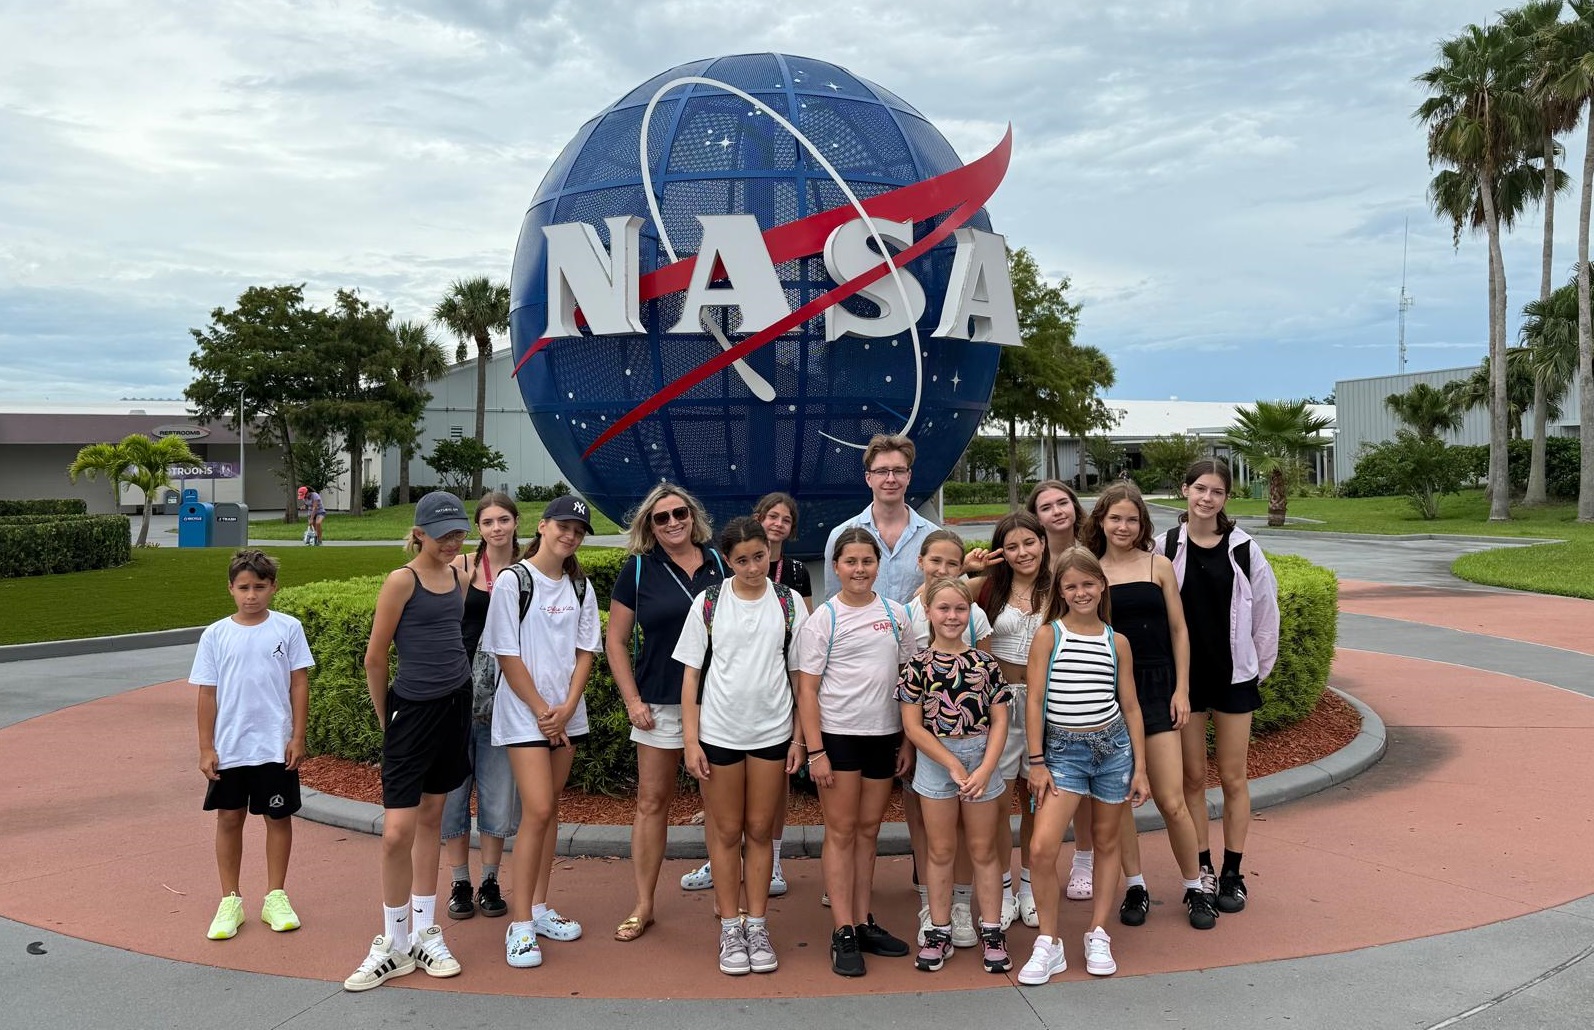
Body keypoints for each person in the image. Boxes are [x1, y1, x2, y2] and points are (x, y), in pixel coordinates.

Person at [343, 492, 472, 992]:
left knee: (432, 818)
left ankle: (423, 934)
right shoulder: (402, 581)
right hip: (411, 713)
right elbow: (375, 658)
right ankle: (393, 943)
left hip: (454, 706)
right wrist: (388, 721)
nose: (451, 542)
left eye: (457, 533)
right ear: (418, 534)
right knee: (397, 831)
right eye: (442, 535)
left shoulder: (459, 576)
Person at [676, 517, 809, 975]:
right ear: (727, 561)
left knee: (759, 831)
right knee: (727, 831)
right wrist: (690, 741)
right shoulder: (709, 603)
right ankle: (730, 926)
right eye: (742, 560)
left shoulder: (789, 602)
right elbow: (691, 676)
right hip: (719, 734)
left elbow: (799, 675)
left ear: (769, 552)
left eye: (759, 557)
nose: (753, 567)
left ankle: (757, 924)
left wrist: (799, 737)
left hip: (772, 734)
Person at [1018, 549, 1151, 985]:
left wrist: (1140, 768)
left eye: (1088, 584)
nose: (1081, 592)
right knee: (1042, 847)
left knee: (1107, 842)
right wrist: (1037, 761)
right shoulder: (1049, 635)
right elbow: (1035, 701)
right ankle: (1049, 942)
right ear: (1060, 591)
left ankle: (1098, 932)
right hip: (1062, 754)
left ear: (1102, 586)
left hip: (1114, 751)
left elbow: (1131, 706)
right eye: (1071, 586)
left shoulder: (1117, 642)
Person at [1086, 483, 1215, 931]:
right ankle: (1136, 885)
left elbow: (1179, 630)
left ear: (1142, 523)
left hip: (1159, 688)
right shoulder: (1091, 570)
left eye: (1132, 519)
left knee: (1172, 800)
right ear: (1101, 521)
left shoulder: (1158, 565)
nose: (1123, 527)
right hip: (1109, 692)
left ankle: (1196, 886)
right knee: (1118, 800)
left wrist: (1182, 690)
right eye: (1115, 518)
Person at [1157, 459, 1279, 914]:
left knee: (1232, 776)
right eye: (1200, 489)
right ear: (1185, 490)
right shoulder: (1165, 546)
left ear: (1226, 498)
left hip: (1233, 679)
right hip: (1184, 683)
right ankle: (1201, 868)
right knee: (1192, 778)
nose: (1207, 498)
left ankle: (1232, 872)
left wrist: (1254, 670)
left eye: (1217, 492)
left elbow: (1266, 614)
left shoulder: (1244, 549)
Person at [606, 484, 725, 942]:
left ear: (693, 516)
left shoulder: (719, 564)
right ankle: (644, 904)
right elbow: (616, 641)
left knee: (718, 805)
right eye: (662, 517)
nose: (673, 522)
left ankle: (725, 901)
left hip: (715, 703)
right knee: (652, 803)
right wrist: (632, 701)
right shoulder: (638, 569)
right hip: (658, 703)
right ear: (649, 526)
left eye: (680, 513)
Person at [487, 496, 602, 968]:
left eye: (578, 530)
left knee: (550, 809)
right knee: (536, 809)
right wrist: (541, 710)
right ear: (543, 525)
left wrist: (567, 707)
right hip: (523, 715)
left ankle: (537, 908)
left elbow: (586, 651)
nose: (570, 536)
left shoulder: (581, 586)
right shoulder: (513, 581)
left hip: (565, 714)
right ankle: (518, 925)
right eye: (563, 526)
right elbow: (506, 653)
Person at [795, 527, 916, 978]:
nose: (859, 569)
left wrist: (907, 740)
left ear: (877, 566)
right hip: (838, 737)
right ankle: (842, 929)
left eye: (867, 561)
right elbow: (807, 690)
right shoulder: (824, 619)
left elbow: (909, 681)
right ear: (836, 567)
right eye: (851, 562)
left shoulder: (896, 614)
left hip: (883, 737)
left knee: (869, 831)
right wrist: (816, 751)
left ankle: (863, 921)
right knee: (841, 831)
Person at [192, 548, 314, 941]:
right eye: (243, 587)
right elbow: (207, 693)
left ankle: (275, 897)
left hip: (274, 746)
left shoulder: (288, 628)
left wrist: (297, 737)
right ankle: (230, 900)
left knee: (277, 818)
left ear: (273, 587)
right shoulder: (215, 635)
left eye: (259, 587)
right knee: (229, 819)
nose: (251, 595)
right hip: (230, 748)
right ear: (230, 588)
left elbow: (299, 683)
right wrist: (206, 748)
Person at [897, 577, 1011, 975]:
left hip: (980, 759)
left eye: (960, 609)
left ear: (970, 613)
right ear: (928, 612)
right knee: (941, 850)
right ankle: (939, 929)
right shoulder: (916, 666)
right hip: (936, 762)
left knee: (983, 849)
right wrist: (950, 763)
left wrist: (985, 768)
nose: (952, 616)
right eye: (943, 608)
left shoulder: (985, 663)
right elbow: (913, 727)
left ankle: (992, 930)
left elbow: (1000, 721)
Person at [902, 529, 995, 949]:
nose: (942, 569)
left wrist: (985, 759)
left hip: (975, 750)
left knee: (971, 836)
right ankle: (933, 910)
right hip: (928, 748)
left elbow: (991, 698)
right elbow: (909, 703)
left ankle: (966, 909)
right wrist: (916, 746)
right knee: (930, 833)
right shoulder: (907, 620)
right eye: (935, 561)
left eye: (952, 563)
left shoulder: (977, 627)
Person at [965, 512, 1051, 930]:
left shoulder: (1059, 586)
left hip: (1043, 705)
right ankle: (1000, 888)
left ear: (1043, 542)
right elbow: (933, 597)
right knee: (996, 804)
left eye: (1029, 543)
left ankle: (1031, 887)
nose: (1022, 553)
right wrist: (970, 571)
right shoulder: (988, 587)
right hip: (998, 706)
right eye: (1012, 546)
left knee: (1036, 800)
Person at [441, 493, 521, 923]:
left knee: (497, 790)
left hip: (506, 697)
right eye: (488, 522)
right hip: (459, 692)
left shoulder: (527, 570)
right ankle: (459, 881)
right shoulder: (461, 568)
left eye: (503, 519)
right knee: (454, 793)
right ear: (479, 528)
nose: (496, 528)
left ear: (516, 522)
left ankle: (490, 879)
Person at [822, 434, 937, 603]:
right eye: (881, 471)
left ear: (908, 476)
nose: (890, 479)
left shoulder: (933, 538)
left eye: (898, 471)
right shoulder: (840, 536)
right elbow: (833, 602)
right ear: (868, 478)